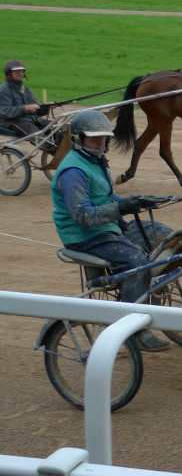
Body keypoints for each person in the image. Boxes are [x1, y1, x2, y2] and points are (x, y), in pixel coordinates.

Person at [51, 109, 172, 352]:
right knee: (137, 263)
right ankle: (133, 331)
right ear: (78, 138)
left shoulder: (96, 161)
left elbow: (107, 197)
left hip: (109, 227)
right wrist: (121, 207)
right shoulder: (73, 171)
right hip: (85, 236)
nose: (101, 141)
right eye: (94, 137)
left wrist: (136, 200)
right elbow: (83, 216)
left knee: (165, 234)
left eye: (104, 137)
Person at [0, 59, 54, 139]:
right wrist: (25, 108)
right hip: (13, 122)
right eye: (16, 72)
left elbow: (35, 109)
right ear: (9, 74)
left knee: (56, 129)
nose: (20, 73)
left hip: (30, 119)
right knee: (40, 138)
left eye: (21, 71)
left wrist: (46, 106)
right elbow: (4, 112)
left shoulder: (24, 88)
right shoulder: (4, 90)